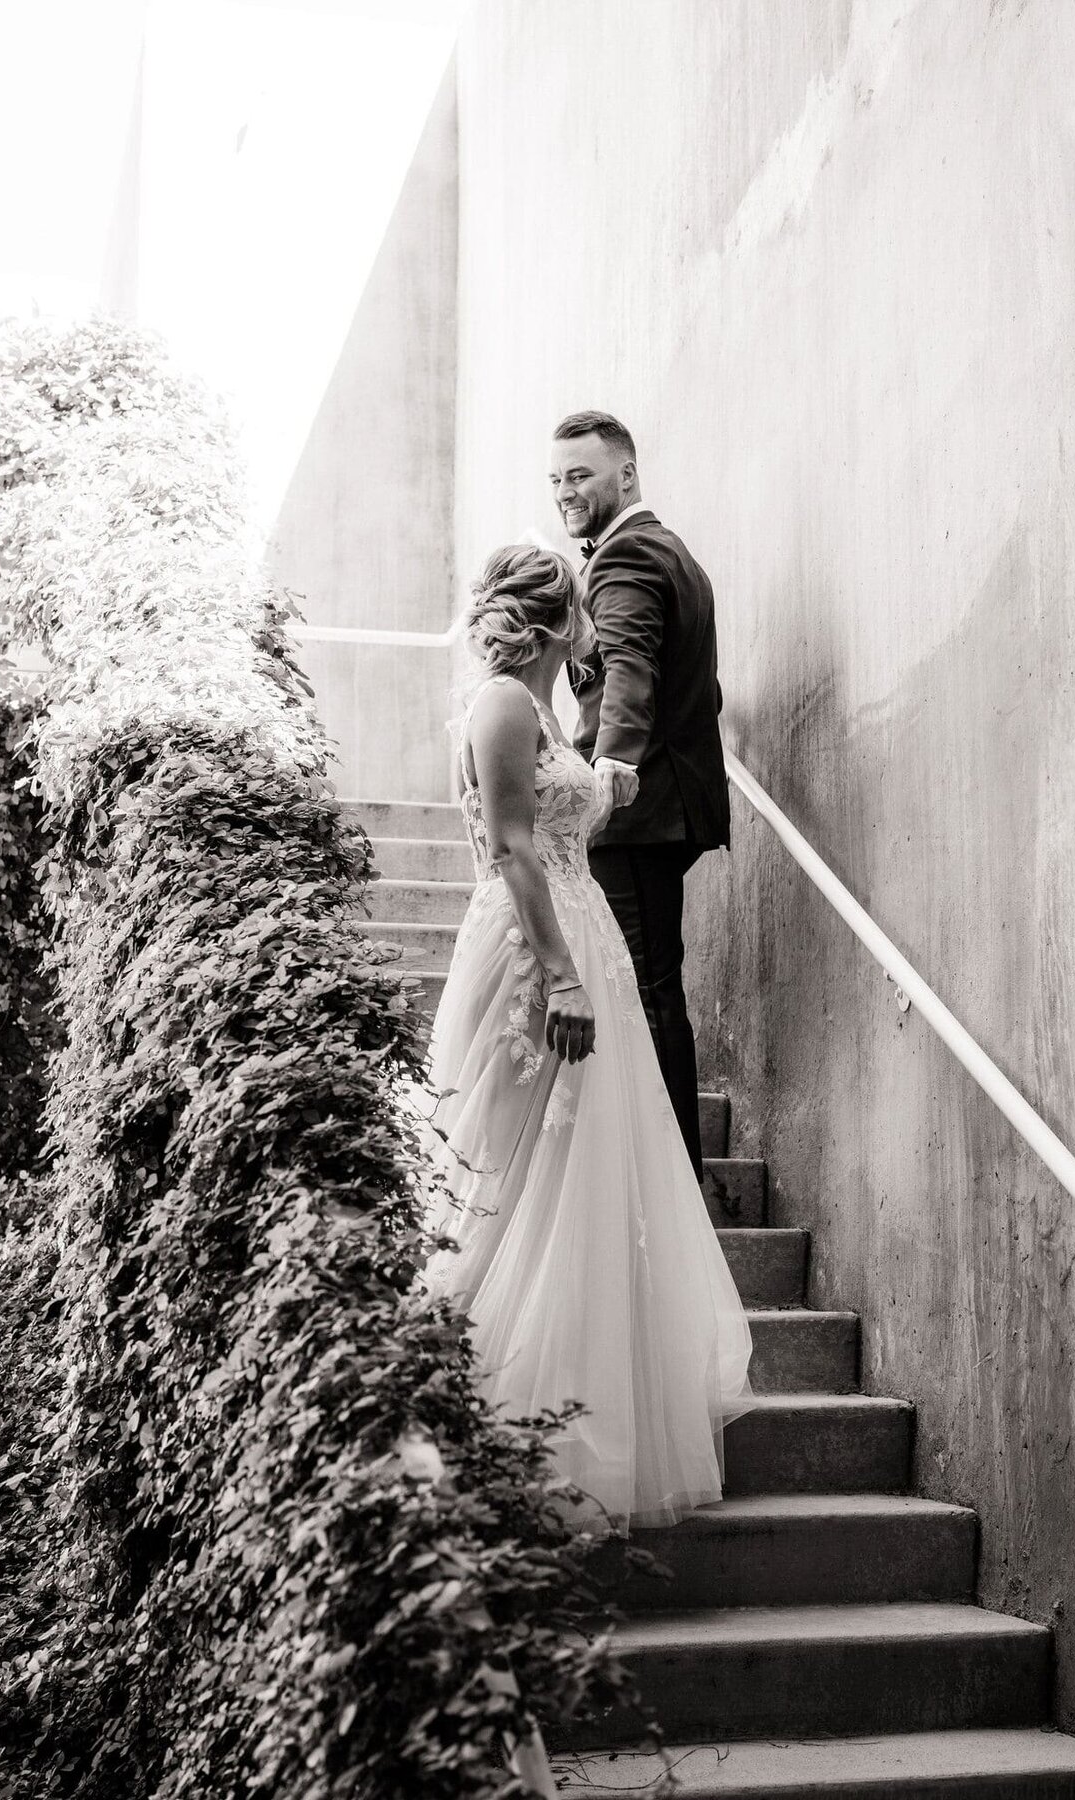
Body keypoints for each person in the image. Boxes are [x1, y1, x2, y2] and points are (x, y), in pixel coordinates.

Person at [420, 544, 752, 1531]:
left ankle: (552, 1413)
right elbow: (514, 845)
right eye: (584, 616)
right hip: (535, 954)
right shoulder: (503, 706)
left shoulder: (538, 712)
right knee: (512, 1163)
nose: (592, 633)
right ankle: (472, 1408)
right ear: (561, 621)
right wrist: (562, 972)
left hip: (577, 929)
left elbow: (557, 824)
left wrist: (606, 787)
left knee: (569, 1175)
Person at [550, 411, 730, 1181]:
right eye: (556, 478)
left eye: (580, 474)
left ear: (625, 474)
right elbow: (703, 688)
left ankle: (674, 1179)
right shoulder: (671, 551)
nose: (565, 491)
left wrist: (610, 768)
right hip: (669, 807)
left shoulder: (624, 559)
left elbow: (627, 670)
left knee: (649, 992)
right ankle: (663, 1170)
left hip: (636, 814)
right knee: (648, 985)